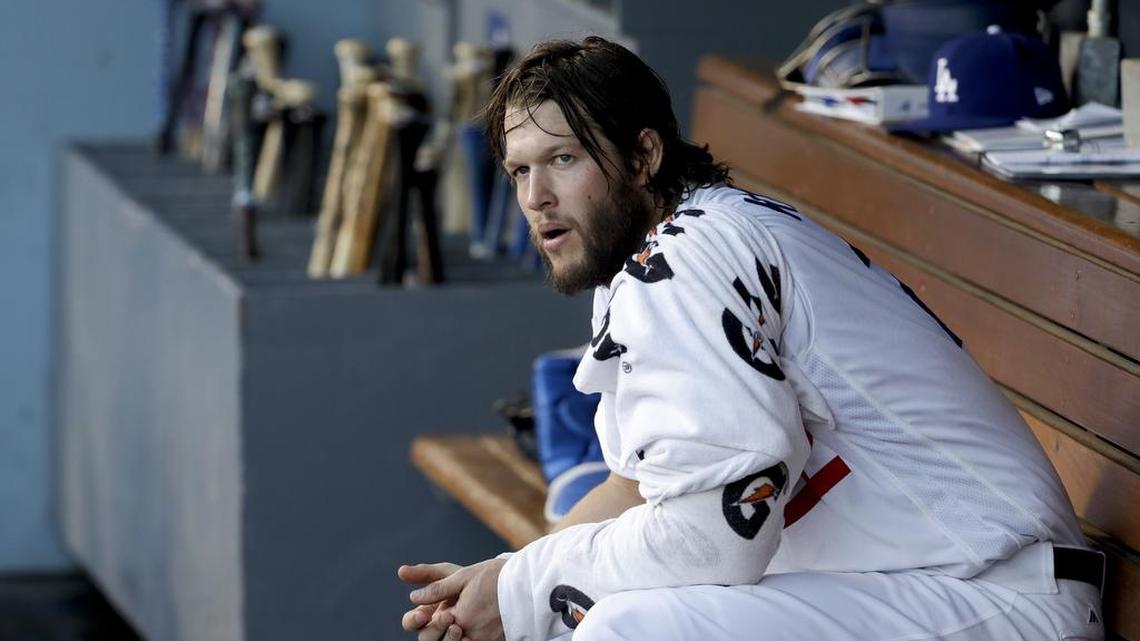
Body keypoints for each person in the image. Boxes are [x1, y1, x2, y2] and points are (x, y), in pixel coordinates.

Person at [397, 36, 1105, 641]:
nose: (534, 196)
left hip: (997, 596)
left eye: (564, 159)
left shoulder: (691, 260)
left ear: (642, 155)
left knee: (624, 630)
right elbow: (639, 487)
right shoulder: (665, 251)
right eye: (520, 169)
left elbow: (716, 538)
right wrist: (504, 578)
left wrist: (526, 589)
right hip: (936, 586)